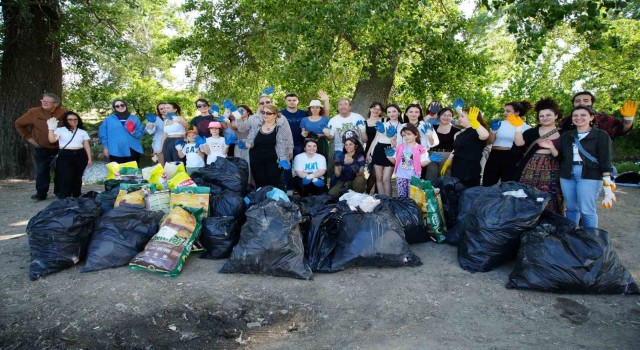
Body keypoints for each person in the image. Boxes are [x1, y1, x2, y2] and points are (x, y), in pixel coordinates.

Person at [552, 106, 614, 228]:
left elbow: (605, 159)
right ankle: (571, 237)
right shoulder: (566, 136)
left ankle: (590, 240)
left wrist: (608, 185)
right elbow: (559, 157)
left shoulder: (601, 135)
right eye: (575, 115)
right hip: (567, 173)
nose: (578, 118)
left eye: (583, 115)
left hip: (590, 174)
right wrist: (551, 148)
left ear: (591, 117)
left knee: (587, 210)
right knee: (571, 209)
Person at [14, 93, 68, 200]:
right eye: (43, 101)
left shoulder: (64, 112)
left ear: (56, 104)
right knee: (42, 170)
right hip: (42, 147)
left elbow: (72, 124)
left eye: (47, 102)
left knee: (61, 171)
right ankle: (41, 193)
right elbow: (19, 123)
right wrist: (29, 138)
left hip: (60, 148)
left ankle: (59, 193)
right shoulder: (34, 112)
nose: (44, 103)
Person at [515, 98, 564, 213]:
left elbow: (564, 155)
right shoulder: (531, 132)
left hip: (554, 168)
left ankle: (550, 222)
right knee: (527, 194)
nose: (545, 118)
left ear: (556, 116)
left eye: (548, 115)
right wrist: (517, 128)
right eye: (541, 116)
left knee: (552, 195)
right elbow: (519, 144)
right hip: (530, 167)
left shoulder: (564, 133)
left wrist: (551, 147)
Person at [483, 101, 533, 186]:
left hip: (512, 157)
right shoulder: (499, 124)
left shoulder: (526, 127)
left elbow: (523, 145)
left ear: (517, 112)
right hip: (494, 155)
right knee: (488, 182)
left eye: (508, 111)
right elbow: (489, 142)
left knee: (508, 184)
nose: (505, 113)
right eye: (504, 110)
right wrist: (493, 130)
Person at [244, 104, 292, 190]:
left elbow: (281, 145)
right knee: (259, 184)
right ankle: (261, 202)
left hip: (273, 161)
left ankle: (271, 203)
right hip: (256, 160)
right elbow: (249, 142)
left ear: (275, 115)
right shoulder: (256, 126)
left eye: (268, 113)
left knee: (272, 185)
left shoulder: (280, 128)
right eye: (263, 112)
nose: (265, 115)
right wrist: (244, 144)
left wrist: (283, 159)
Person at [441, 107, 490, 188]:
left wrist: (475, 122)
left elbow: (485, 135)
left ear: (472, 118)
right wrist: (448, 162)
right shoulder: (461, 133)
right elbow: (456, 150)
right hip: (457, 167)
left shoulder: (477, 131)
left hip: (469, 170)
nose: (459, 118)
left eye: (462, 116)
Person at [46, 112, 92, 198]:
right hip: (65, 154)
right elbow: (52, 140)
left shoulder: (82, 131)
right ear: (66, 121)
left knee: (78, 176)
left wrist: (89, 158)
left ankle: (76, 195)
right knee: (66, 176)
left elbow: (86, 146)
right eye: (70, 119)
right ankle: (64, 196)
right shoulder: (60, 130)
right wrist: (51, 129)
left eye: (75, 119)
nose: (73, 121)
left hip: (80, 154)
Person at [559, 91, 635, 140]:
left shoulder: (605, 119)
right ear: (573, 104)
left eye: (586, 100)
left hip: (599, 161)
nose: (581, 103)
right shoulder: (566, 120)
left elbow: (622, 130)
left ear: (592, 103)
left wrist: (628, 118)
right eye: (577, 101)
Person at [366, 103, 402, 196]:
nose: (392, 114)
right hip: (379, 150)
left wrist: (391, 137)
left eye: (394, 111)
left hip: (391, 152)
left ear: (398, 112)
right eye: (389, 112)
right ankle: (382, 200)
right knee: (379, 178)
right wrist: (369, 153)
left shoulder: (402, 126)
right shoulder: (383, 124)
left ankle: (388, 200)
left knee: (386, 179)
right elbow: (375, 139)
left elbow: (400, 145)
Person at [396, 104, 439, 179]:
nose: (413, 114)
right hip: (407, 156)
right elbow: (399, 143)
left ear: (419, 114)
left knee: (420, 181)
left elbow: (433, 143)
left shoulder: (426, 125)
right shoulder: (402, 127)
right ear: (406, 113)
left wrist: (429, 136)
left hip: (422, 156)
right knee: (406, 179)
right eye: (411, 112)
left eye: (416, 112)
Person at [387, 124, 430, 198]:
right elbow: (394, 161)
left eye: (409, 134)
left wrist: (430, 159)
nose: (406, 137)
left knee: (413, 197)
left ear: (416, 135)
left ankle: (412, 209)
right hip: (401, 176)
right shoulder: (399, 147)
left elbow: (423, 164)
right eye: (404, 135)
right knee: (401, 196)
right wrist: (389, 155)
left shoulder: (421, 149)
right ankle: (403, 209)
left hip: (414, 177)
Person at [98, 99, 145, 164]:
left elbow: (141, 134)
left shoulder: (134, 118)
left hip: (133, 150)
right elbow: (103, 134)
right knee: (118, 173)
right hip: (115, 150)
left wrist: (133, 131)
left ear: (126, 105)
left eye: (122, 105)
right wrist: (106, 147)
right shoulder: (109, 120)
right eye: (117, 106)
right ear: (114, 108)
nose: (120, 107)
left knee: (132, 172)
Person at [425, 107, 459, 181]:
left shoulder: (456, 130)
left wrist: (449, 160)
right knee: (430, 180)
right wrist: (430, 136)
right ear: (439, 116)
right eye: (444, 115)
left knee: (445, 180)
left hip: (447, 156)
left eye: (449, 115)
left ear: (452, 117)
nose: (446, 117)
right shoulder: (432, 127)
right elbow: (420, 123)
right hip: (432, 155)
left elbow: (457, 147)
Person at [363, 102, 385, 193]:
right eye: (374, 108)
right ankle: (366, 192)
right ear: (370, 108)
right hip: (370, 149)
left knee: (380, 175)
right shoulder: (364, 122)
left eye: (379, 109)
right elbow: (364, 140)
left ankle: (377, 195)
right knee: (373, 173)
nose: (376, 111)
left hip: (382, 149)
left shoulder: (384, 120)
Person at [230, 105, 254, 184]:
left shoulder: (252, 119)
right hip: (238, 144)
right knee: (238, 165)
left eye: (242, 110)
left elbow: (243, 128)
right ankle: (240, 184)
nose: (240, 112)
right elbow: (233, 127)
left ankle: (249, 184)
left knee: (249, 164)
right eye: (238, 111)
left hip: (250, 144)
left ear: (248, 111)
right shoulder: (235, 120)